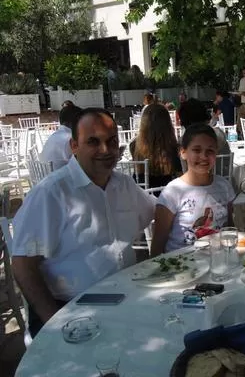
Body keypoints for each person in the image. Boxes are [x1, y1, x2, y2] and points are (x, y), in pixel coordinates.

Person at [9, 108, 155, 337]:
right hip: (70, 310)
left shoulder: (124, 185)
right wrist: (54, 322)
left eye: (112, 141)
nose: (105, 150)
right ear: (74, 146)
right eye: (93, 142)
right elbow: (22, 263)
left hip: (125, 301)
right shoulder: (52, 193)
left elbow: (158, 211)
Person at [152, 124, 235, 255]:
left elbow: (229, 228)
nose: (204, 156)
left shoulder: (224, 186)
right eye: (197, 150)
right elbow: (158, 243)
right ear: (183, 152)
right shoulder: (172, 192)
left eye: (210, 151)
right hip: (183, 263)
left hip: (219, 260)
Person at [129, 104, 182, 189]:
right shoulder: (173, 148)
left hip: (141, 192)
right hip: (166, 193)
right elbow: (180, 177)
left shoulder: (134, 145)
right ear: (167, 123)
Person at [39, 104, 83, 169]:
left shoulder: (54, 135)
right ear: (74, 122)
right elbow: (83, 164)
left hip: (45, 173)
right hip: (61, 174)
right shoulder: (70, 139)